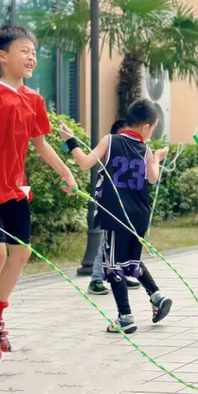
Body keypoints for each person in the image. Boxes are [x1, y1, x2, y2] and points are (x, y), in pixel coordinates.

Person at [0, 25, 77, 363]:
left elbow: (41, 144)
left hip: (15, 191)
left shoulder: (34, 100)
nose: (31, 57)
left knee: (21, 254)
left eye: (34, 52)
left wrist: (66, 172)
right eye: (24, 51)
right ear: (2, 56)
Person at [61, 100, 171, 334]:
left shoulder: (110, 141)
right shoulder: (145, 150)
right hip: (139, 216)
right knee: (130, 260)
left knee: (113, 266)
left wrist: (70, 140)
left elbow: (84, 163)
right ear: (145, 127)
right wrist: (157, 158)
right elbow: (153, 179)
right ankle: (157, 296)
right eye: (153, 128)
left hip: (116, 215)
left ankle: (125, 317)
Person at [87, 118, 141, 296]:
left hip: (126, 205)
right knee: (108, 240)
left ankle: (120, 274)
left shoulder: (132, 152)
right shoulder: (109, 148)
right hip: (109, 203)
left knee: (120, 240)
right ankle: (96, 279)